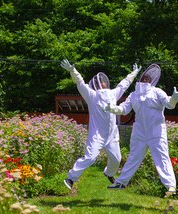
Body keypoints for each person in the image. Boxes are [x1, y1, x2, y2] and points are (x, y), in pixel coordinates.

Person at [104, 64, 178, 195]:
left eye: (148, 79)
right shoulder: (133, 95)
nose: (145, 80)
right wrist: (112, 108)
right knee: (133, 157)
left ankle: (171, 186)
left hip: (157, 131)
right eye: (144, 78)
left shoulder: (157, 92)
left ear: (152, 81)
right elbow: (124, 109)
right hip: (139, 132)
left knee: (162, 157)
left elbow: (169, 105)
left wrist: (174, 98)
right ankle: (121, 182)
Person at [60, 59, 141, 189]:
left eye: (104, 82)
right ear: (97, 84)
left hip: (112, 135)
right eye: (101, 82)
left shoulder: (113, 93)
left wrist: (134, 73)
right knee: (90, 158)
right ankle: (71, 178)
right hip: (97, 134)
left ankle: (108, 173)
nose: (103, 84)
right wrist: (72, 70)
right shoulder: (92, 95)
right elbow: (80, 82)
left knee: (116, 159)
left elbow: (124, 84)